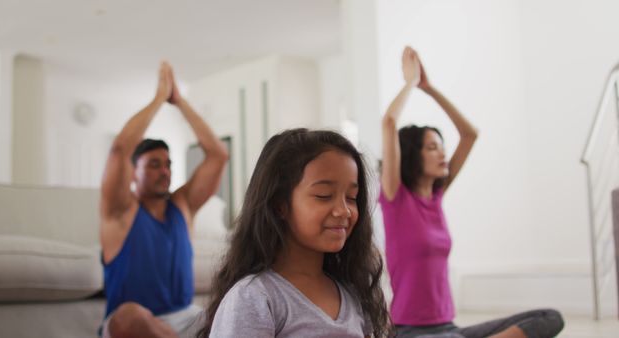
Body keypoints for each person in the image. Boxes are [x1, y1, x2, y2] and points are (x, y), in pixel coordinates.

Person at [379, 46, 564, 338]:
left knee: (549, 318)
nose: (442, 153)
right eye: (432, 147)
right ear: (412, 155)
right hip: (409, 331)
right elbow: (388, 123)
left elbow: (470, 134)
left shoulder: (436, 197)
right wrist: (410, 83)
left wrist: (430, 89)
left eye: (441, 145)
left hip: (449, 328)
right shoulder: (396, 199)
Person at [196, 128, 392, 337]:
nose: (343, 210)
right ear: (280, 204)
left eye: (352, 197)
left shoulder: (353, 294)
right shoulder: (254, 297)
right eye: (324, 195)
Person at [99, 62, 229, 338]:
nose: (165, 171)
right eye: (154, 165)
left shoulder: (183, 205)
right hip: (132, 323)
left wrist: (180, 102)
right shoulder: (121, 211)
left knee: (229, 311)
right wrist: (159, 99)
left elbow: (218, 154)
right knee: (130, 316)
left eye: (168, 164)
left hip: (184, 317)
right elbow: (120, 149)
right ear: (134, 172)